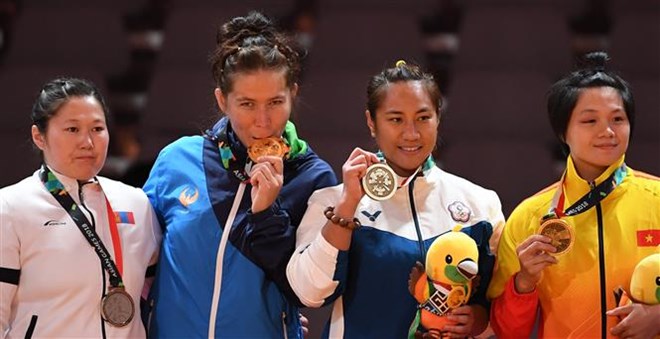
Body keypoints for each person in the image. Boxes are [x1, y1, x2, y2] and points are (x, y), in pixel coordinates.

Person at [142, 11, 337, 338]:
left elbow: (310, 291)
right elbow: (140, 269)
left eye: (275, 101)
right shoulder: (176, 161)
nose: (263, 120)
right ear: (222, 100)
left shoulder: (313, 178)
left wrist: (266, 214)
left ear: (293, 94)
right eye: (247, 104)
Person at [287, 61, 505, 338]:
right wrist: (347, 205)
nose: (411, 133)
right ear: (371, 122)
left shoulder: (480, 204)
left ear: (438, 117)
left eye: (423, 118)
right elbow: (309, 292)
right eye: (396, 119)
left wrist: (479, 320)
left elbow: (502, 309)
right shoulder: (331, 201)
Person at [487, 52, 660, 338]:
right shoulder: (530, 217)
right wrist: (524, 282)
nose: (607, 131)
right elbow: (505, 330)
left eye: (618, 118)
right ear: (563, 132)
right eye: (589, 121)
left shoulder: (656, 199)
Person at [0, 77, 161, 337]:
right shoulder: (10, 207)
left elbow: (154, 295)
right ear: (39, 137)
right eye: (72, 129)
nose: (87, 142)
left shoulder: (137, 204)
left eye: (97, 129)